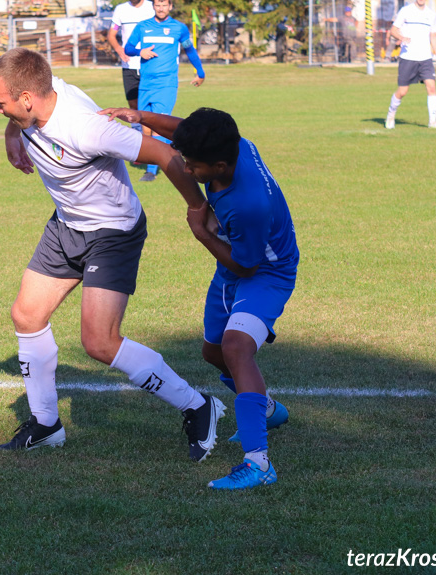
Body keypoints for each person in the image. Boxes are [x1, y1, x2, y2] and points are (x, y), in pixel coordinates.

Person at [0, 48, 225, 462]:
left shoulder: (86, 128)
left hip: (113, 233)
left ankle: (199, 406)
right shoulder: (37, 99)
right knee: (26, 315)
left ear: (27, 98)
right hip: (66, 226)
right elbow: (22, 116)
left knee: (99, 342)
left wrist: (198, 208)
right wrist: (13, 134)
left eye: (0, 103)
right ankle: (46, 426)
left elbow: (165, 155)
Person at [99, 106, 299, 490]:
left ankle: (258, 464)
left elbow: (246, 265)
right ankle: (268, 410)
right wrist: (138, 116)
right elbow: (184, 131)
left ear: (221, 166)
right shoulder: (233, 145)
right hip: (233, 264)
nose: (187, 171)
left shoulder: (247, 205)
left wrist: (202, 233)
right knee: (213, 354)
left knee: (237, 348)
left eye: (193, 166)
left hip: (266, 273)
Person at [123, 0, 205, 183]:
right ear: (154, 6)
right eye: (158, 5)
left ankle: (152, 170)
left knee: (159, 124)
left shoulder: (179, 28)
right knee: (145, 126)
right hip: (145, 83)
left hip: (166, 84)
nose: (161, 8)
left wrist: (200, 72)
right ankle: (165, 155)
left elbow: (190, 50)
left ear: (170, 7)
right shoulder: (143, 26)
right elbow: (128, 48)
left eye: (164, 5)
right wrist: (140, 52)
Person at [384, 0, 436, 130]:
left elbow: (433, 36)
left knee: (431, 87)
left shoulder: (431, 14)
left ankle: (432, 122)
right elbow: (393, 30)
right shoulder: (406, 11)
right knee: (403, 91)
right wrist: (402, 37)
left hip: (426, 58)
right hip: (408, 57)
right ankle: (390, 115)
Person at [107, 0, 155, 116]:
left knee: (151, 105)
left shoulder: (152, 7)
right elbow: (111, 34)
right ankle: (137, 132)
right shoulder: (120, 9)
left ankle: (154, 133)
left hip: (149, 64)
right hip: (129, 65)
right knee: (133, 104)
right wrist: (119, 49)